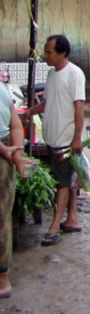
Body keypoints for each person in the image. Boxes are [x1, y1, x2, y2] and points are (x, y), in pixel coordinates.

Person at [24, 34, 86, 247]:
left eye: (49, 52)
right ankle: (71, 219)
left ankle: (54, 226)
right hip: (51, 137)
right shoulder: (52, 74)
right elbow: (48, 102)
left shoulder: (75, 74)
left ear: (62, 53)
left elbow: (79, 107)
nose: (45, 55)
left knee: (62, 183)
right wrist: (29, 112)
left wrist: (77, 138)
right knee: (64, 180)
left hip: (65, 139)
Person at [0, 81, 26, 298]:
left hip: (4, 154)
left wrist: (15, 155)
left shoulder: (2, 89)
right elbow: (16, 124)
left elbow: (15, 124)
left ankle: (2, 279)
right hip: (5, 151)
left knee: (2, 218)